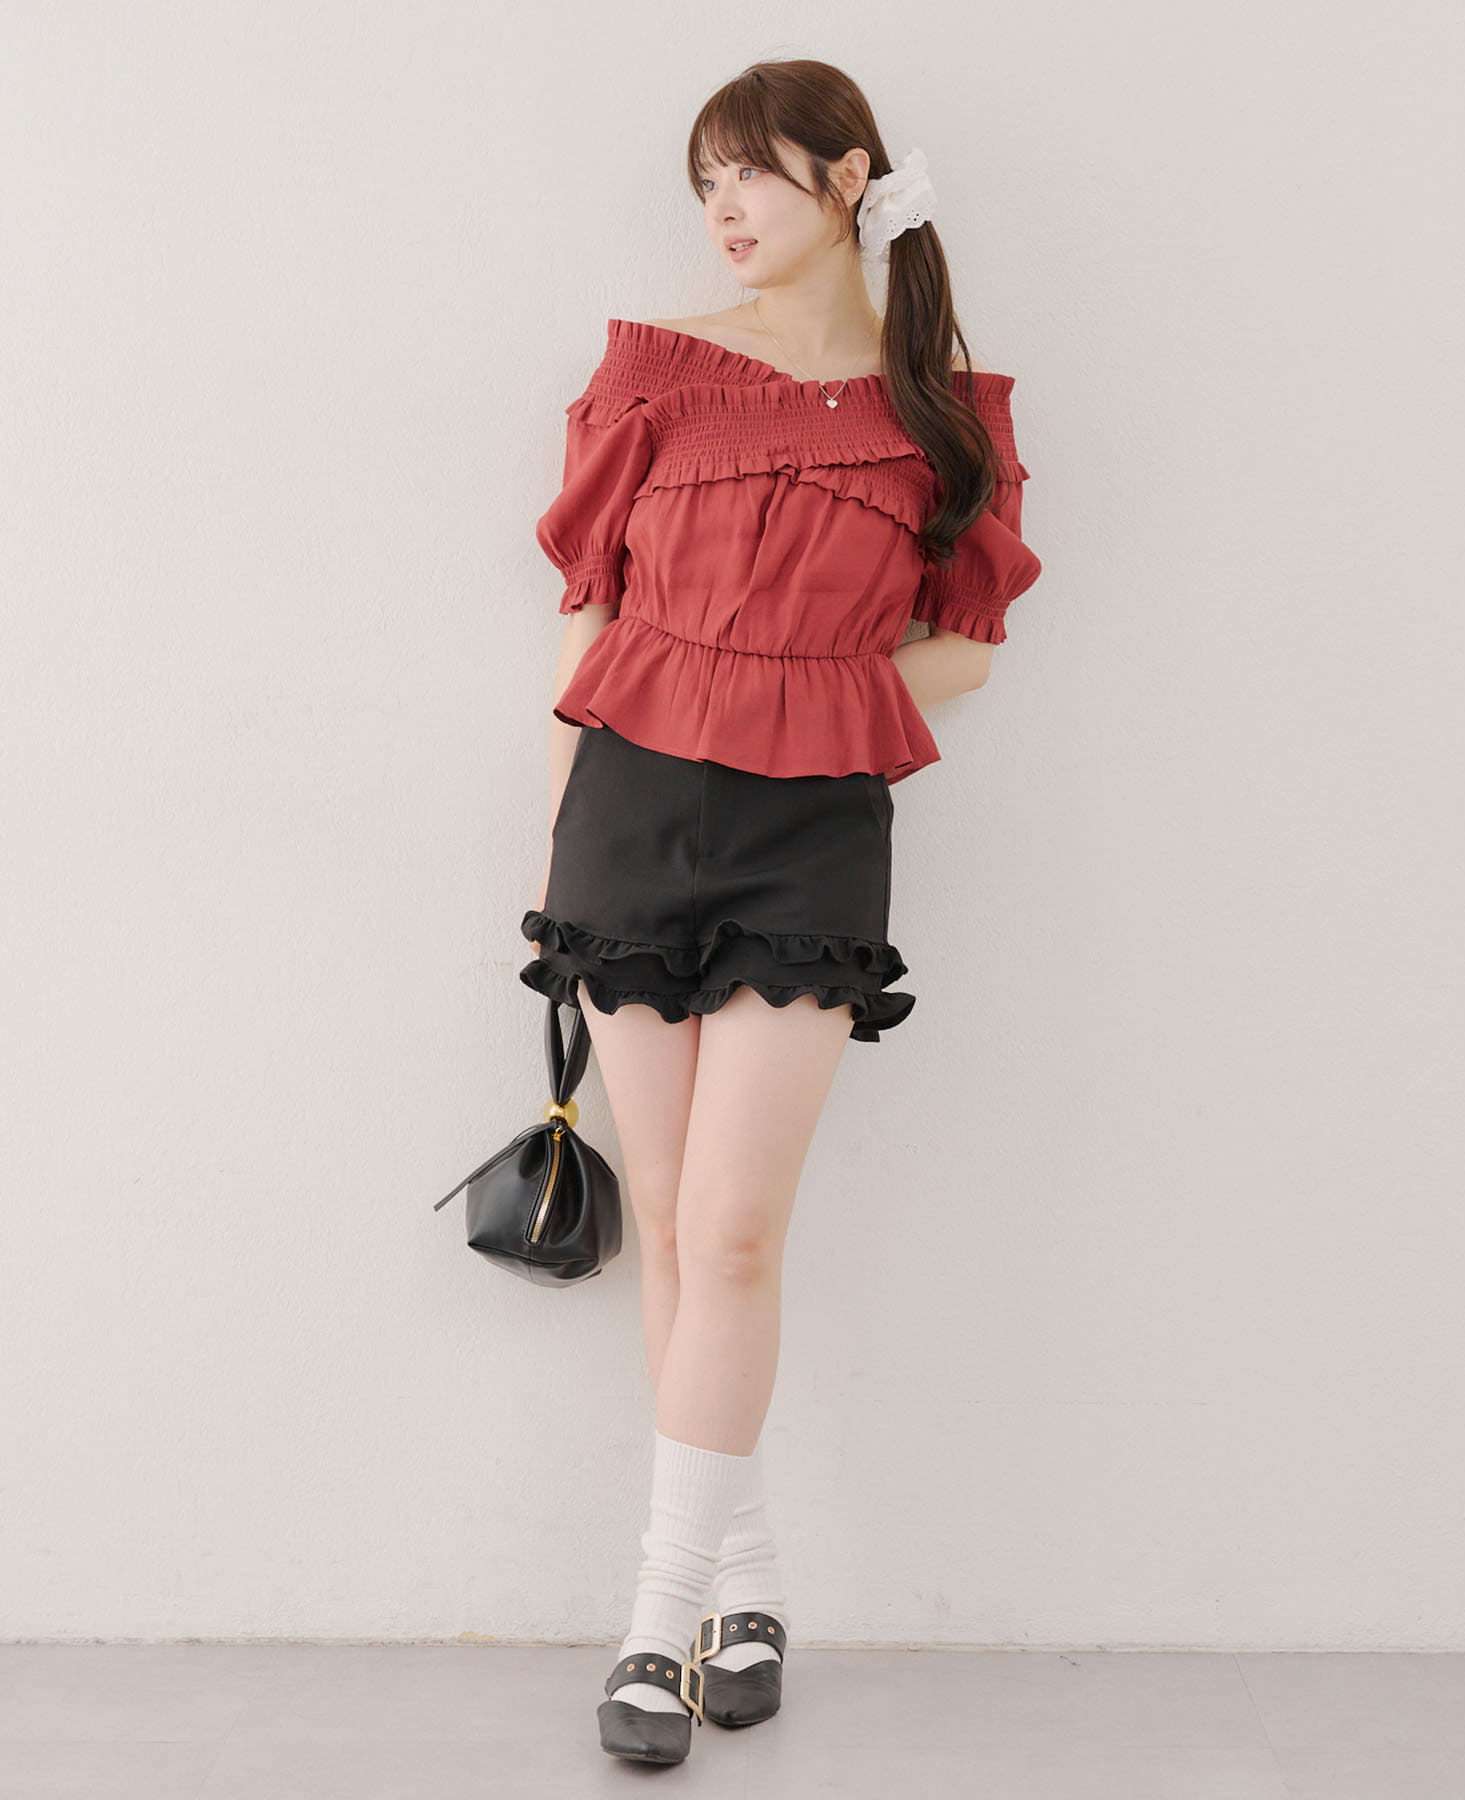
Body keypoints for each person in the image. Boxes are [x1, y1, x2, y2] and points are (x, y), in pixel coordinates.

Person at [518, 59, 1043, 1765]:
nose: (726, 211)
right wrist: (554, 865)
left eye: (750, 174)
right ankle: (741, 1585)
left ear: (851, 176)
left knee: (737, 1230)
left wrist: (800, 690)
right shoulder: (654, 376)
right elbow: (587, 627)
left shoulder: (943, 411)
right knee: (675, 1227)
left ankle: (654, 1621)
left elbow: (968, 649)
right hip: (628, 817)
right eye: (707, 185)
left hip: (810, 828)